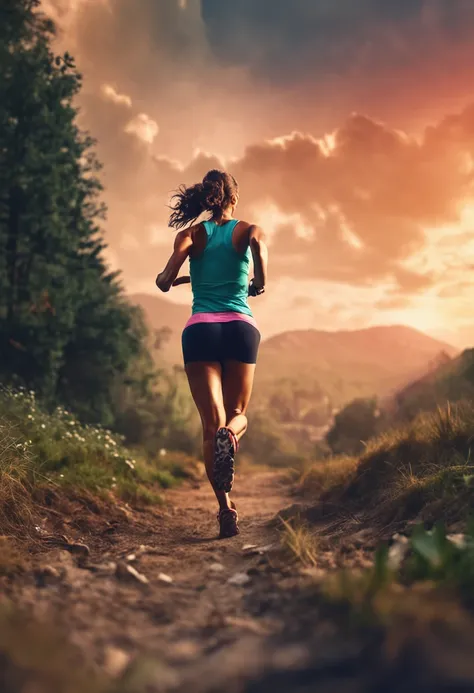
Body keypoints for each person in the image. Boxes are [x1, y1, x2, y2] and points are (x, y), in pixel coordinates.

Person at [155, 169, 268, 539]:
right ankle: (231, 440)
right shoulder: (247, 229)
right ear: (233, 199)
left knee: (209, 425)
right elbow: (257, 247)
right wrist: (258, 280)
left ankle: (225, 509)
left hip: (200, 330)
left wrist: (178, 276)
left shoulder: (189, 235)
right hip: (239, 327)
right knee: (236, 416)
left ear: (207, 199)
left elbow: (163, 281)